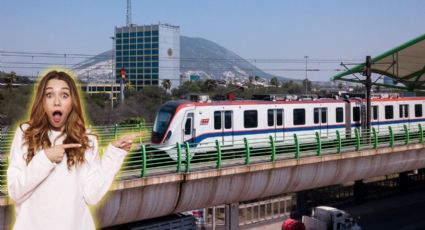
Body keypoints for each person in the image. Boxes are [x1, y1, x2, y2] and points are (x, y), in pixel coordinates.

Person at [7, 70, 142, 230]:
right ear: (42, 101)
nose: (57, 102)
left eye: (64, 96)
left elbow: (92, 195)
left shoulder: (87, 139)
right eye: (49, 95)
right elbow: (15, 191)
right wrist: (45, 158)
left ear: (72, 102)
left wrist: (114, 153)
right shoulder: (25, 134)